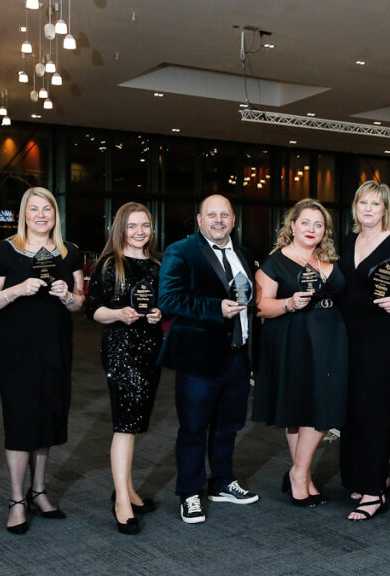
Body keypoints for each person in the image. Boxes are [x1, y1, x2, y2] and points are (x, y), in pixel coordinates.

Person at [0, 187, 84, 534]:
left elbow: (79, 302)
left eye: (48, 210)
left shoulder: (70, 252)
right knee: (21, 419)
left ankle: (38, 491)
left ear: (56, 215)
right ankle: (16, 500)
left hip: (56, 345)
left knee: (48, 417)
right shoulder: (5, 251)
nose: (41, 215)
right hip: (17, 349)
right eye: (34, 209)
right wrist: (16, 290)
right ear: (24, 213)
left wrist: (67, 294)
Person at [158, 194, 260, 525]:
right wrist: (214, 308)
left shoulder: (242, 253)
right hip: (199, 358)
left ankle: (222, 482)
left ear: (233, 220)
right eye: (211, 215)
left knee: (229, 425)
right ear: (199, 220)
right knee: (193, 428)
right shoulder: (181, 251)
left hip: (237, 355)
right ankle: (190, 492)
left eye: (224, 215)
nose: (218, 220)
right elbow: (170, 299)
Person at [253, 198, 347, 507]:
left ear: (325, 231)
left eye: (318, 224)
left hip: (330, 342)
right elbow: (262, 307)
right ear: (292, 225)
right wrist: (289, 303)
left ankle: (300, 474)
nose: (311, 229)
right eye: (305, 222)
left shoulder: (329, 260)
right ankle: (300, 476)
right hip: (293, 341)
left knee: (321, 407)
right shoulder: (274, 263)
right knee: (303, 411)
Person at [339, 181, 390, 520]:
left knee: (374, 411)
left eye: (375, 204)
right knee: (352, 411)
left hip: (382, 336)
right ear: (355, 208)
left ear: (385, 208)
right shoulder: (347, 242)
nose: (368, 209)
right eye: (363, 203)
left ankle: (373, 492)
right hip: (347, 337)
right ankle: (364, 476)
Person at [86, 202, 164, 534]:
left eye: (144, 225)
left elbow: (162, 304)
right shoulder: (109, 264)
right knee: (125, 423)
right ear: (120, 229)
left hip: (151, 350)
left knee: (135, 423)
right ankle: (121, 500)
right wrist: (119, 314)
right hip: (121, 350)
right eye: (132, 226)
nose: (139, 232)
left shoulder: (158, 265)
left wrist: (159, 315)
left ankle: (129, 490)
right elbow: (93, 311)